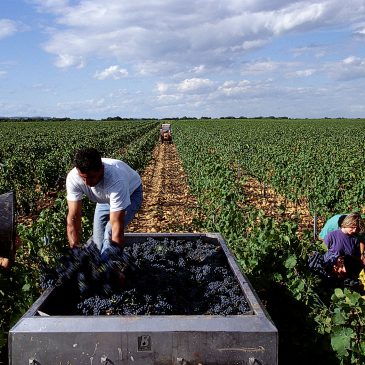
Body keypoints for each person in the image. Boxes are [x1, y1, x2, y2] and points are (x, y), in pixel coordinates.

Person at [66, 148, 143, 254]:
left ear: (101, 169)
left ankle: (109, 265)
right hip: (104, 199)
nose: (87, 183)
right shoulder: (73, 177)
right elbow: (73, 217)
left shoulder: (116, 179)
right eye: (83, 178)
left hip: (131, 194)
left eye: (92, 177)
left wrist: (114, 259)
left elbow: (117, 225)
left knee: (109, 233)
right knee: (97, 243)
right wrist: (74, 250)